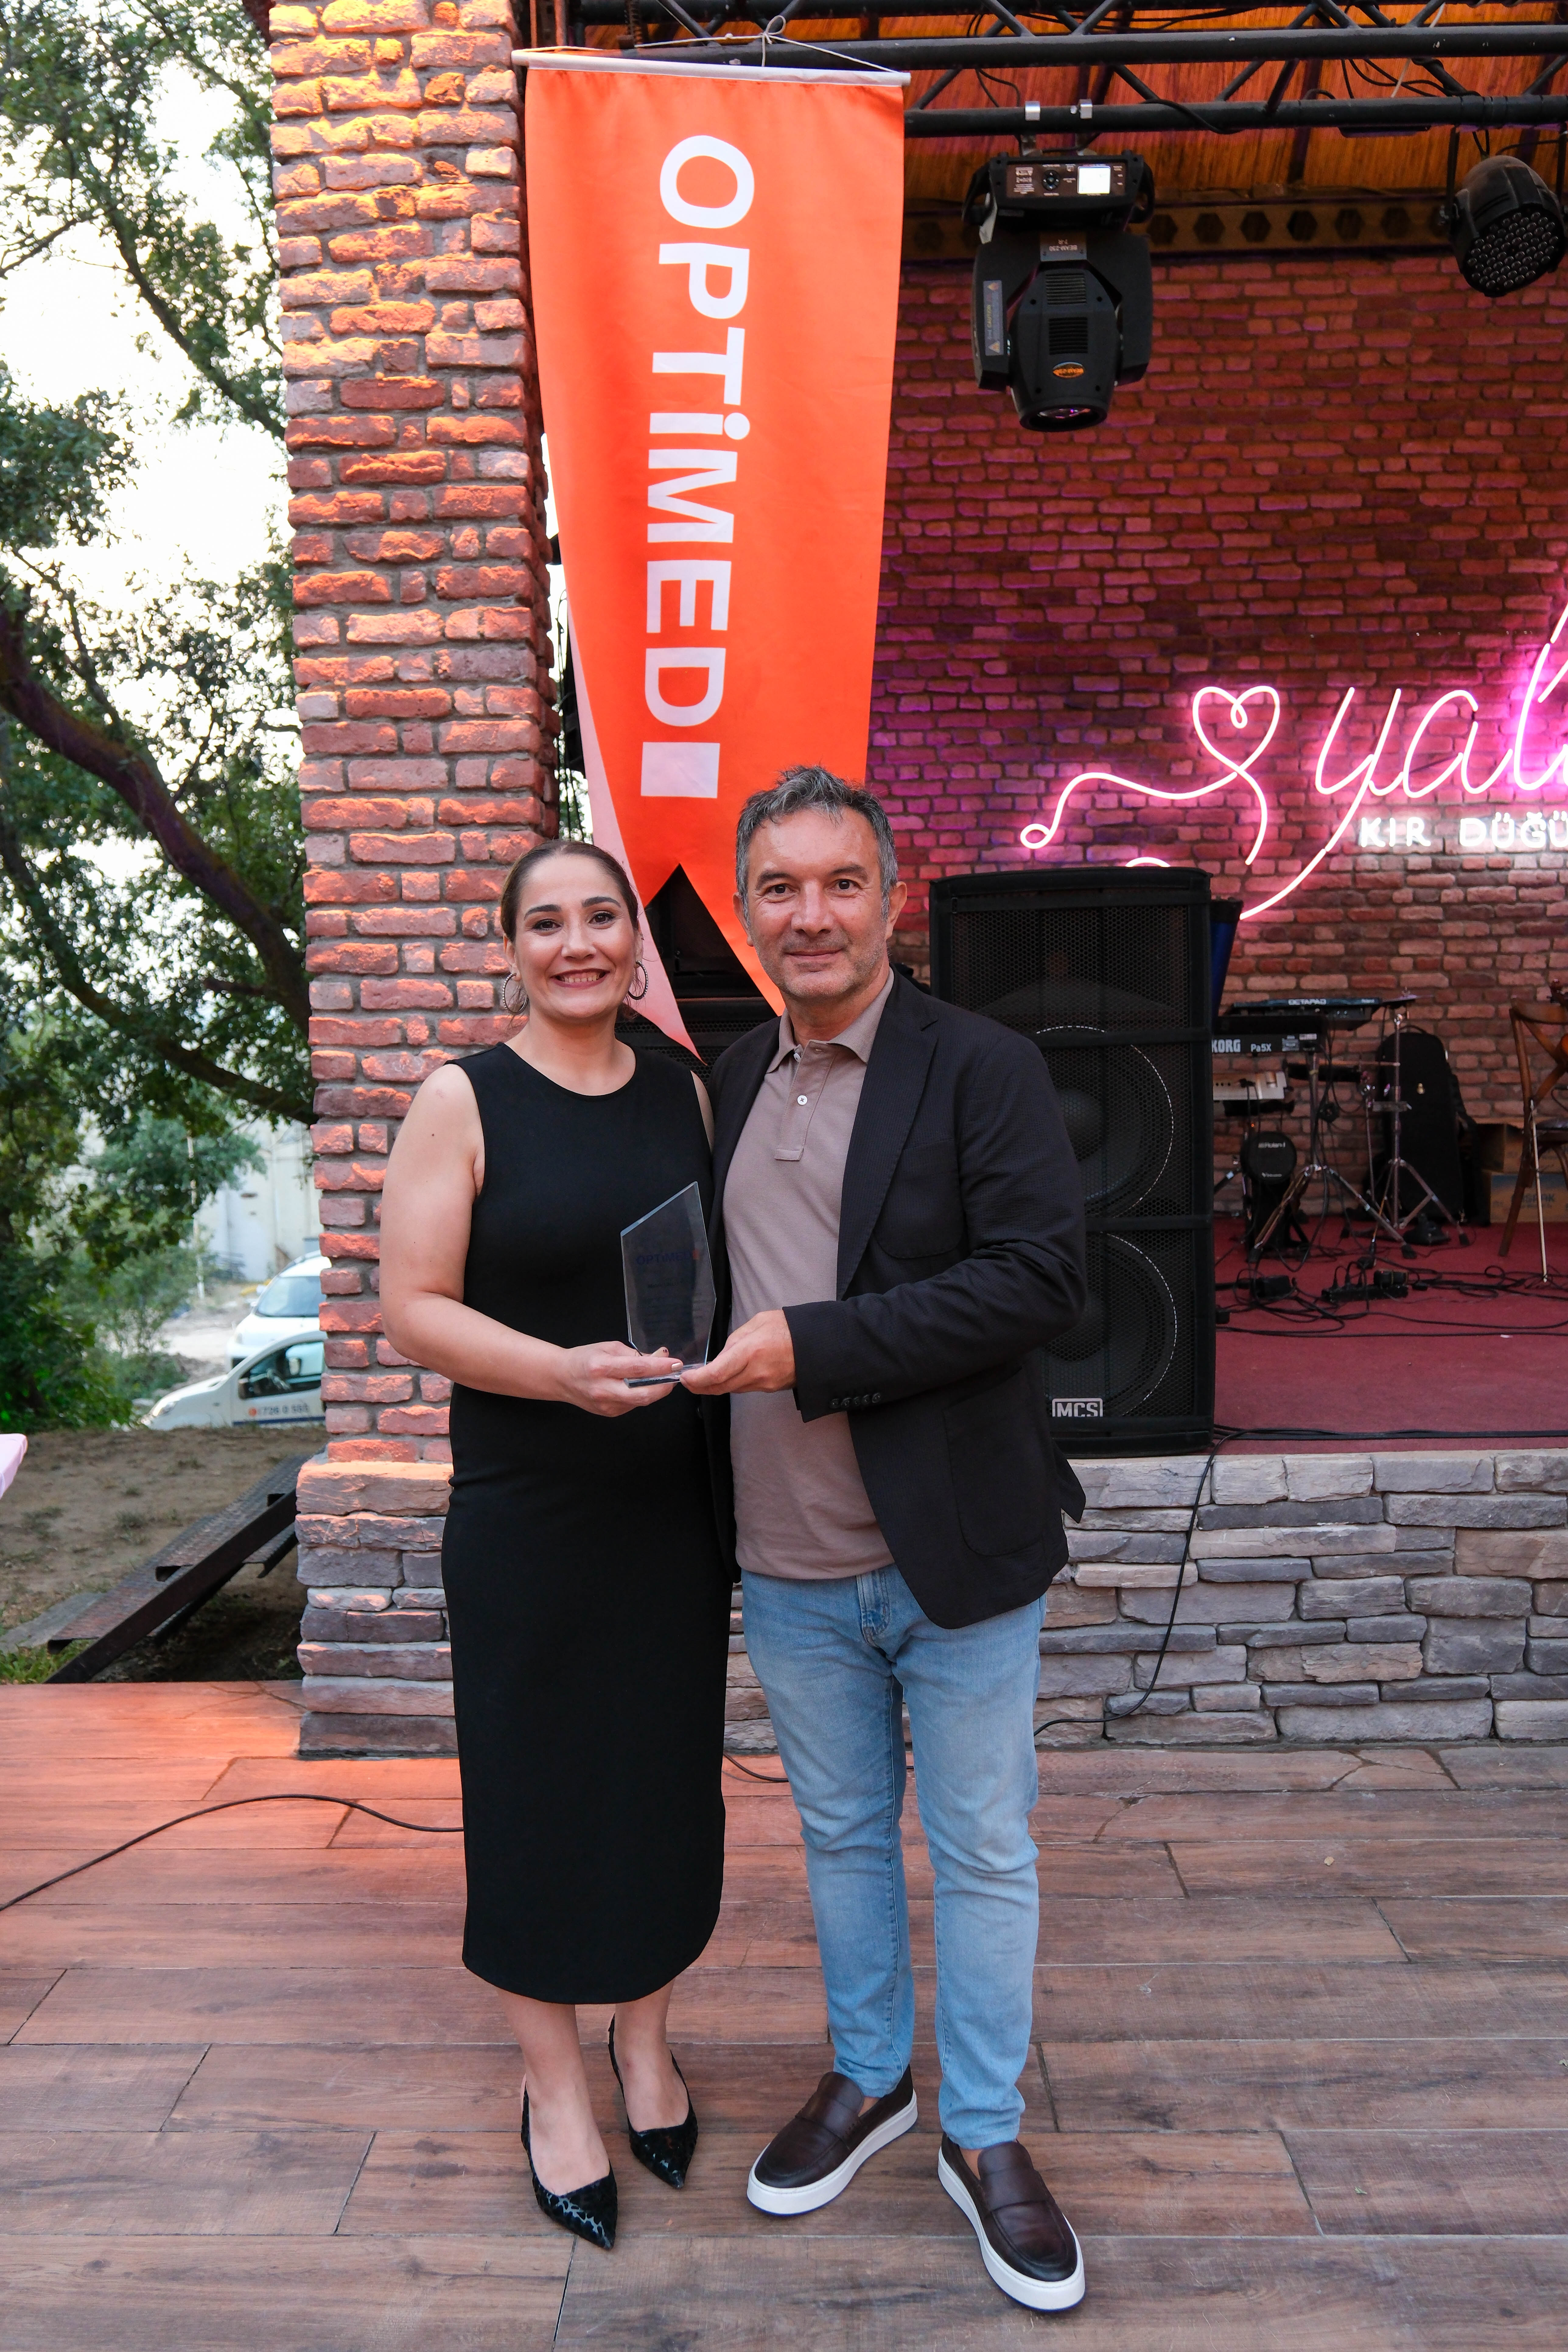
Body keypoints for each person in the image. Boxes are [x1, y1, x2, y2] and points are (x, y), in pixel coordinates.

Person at [682, 769, 1089, 2314]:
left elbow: (1039, 1280)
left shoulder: (979, 1065)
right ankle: (871, 2080)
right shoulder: (730, 1075)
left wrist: (817, 1346)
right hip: (785, 1557)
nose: (811, 915)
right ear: (747, 911)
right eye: (778, 888)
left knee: (982, 1848)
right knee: (843, 1838)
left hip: (954, 1550)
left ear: (891, 898)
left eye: (840, 882)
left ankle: (983, 2130)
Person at [379, 839, 730, 2255]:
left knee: (660, 1787)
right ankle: (554, 2087)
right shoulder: (462, 1100)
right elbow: (412, 1307)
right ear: (512, 947)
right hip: (530, 1505)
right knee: (534, 1798)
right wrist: (556, 1375)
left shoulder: (685, 1087)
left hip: (669, 1506)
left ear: (633, 942)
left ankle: (644, 2042)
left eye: (601, 918)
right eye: (546, 923)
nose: (577, 944)